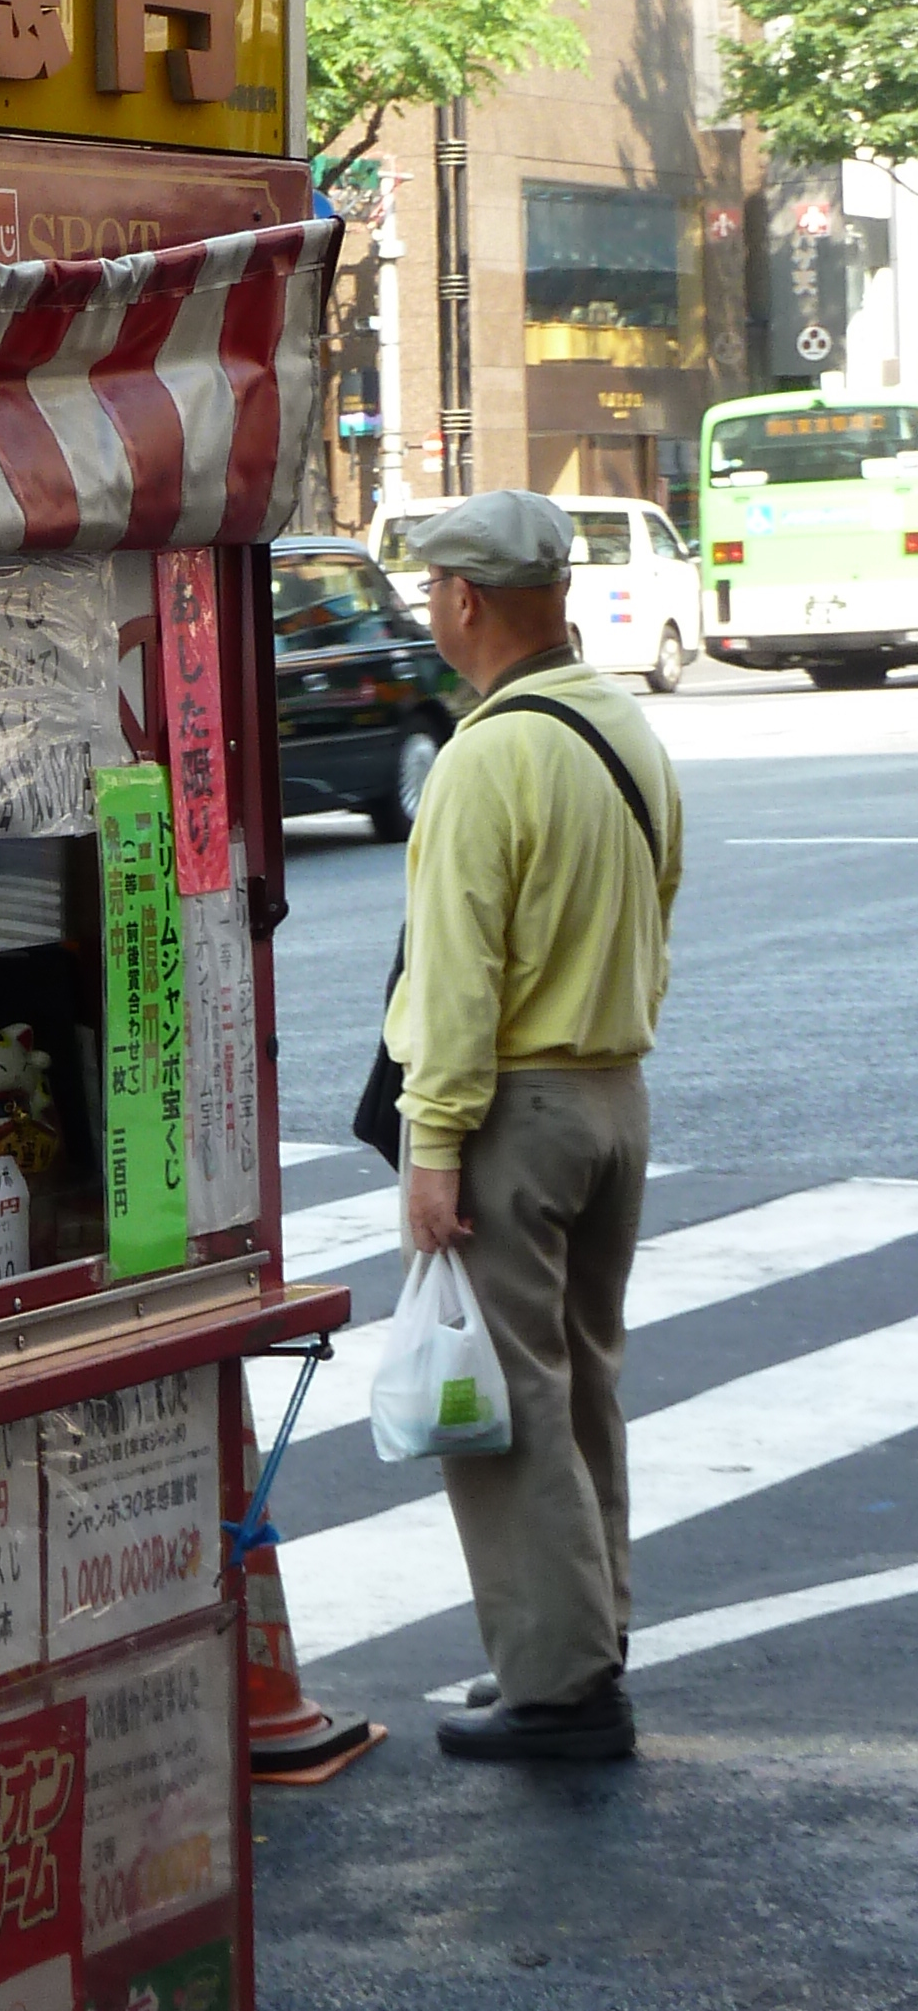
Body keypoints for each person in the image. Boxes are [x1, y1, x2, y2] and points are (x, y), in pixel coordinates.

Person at [386, 488, 682, 1764]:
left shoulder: (486, 757)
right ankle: (592, 1633)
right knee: (583, 1388)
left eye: (434, 592)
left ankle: (559, 1686)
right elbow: (660, 906)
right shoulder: (625, 726)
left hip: (516, 1106)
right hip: (615, 1095)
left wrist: (434, 1143)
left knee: (503, 1409)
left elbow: (457, 978)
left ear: (464, 600)